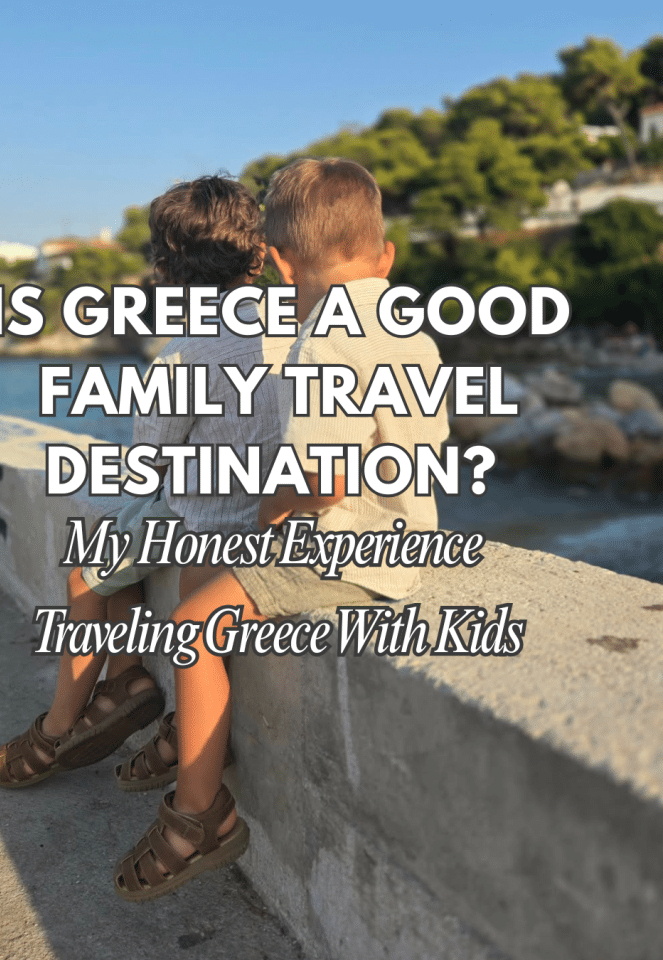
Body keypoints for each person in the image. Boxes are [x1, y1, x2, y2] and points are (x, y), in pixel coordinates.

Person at [112, 158, 449, 901]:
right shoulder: (408, 329)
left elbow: (322, 479)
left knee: (195, 623)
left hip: (348, 555)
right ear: (386, 254)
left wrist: (272, 511)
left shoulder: (327, 339)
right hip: (402, 540)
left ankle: (201, 817)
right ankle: (182, 739)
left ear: (279, 261)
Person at [0, 175, 290, 788]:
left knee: (88, 571)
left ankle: (57, 727)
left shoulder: (183, 355)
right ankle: (125, 684)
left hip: (208, 521)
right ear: (260, 254)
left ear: (165, 270)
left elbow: (148, 461)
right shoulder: (295, 329)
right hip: (271, 516)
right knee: (122, 558)